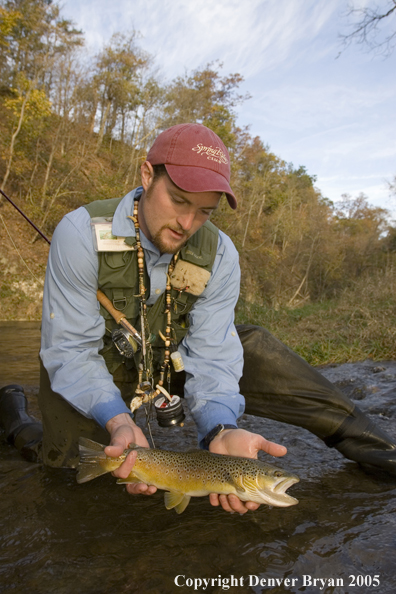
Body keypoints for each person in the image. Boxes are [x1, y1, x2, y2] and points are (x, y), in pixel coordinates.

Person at [1, 123, 395, 515]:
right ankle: (17, 420)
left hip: (171, 363)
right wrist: (118, 419)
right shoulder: (80, 233)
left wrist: (221, 428)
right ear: (146, 175)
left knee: (254, 344)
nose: (188, 224)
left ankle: (379, 450)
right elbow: (69, 350)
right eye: (178, 200)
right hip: (92, 367)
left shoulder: (221, 255)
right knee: (70, 471)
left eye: (204, 211)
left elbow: (212, 355)